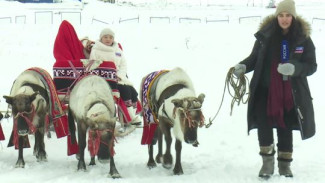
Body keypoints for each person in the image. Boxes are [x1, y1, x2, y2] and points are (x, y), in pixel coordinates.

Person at [232, 0, 317, 178]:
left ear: (293, 17)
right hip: (264, 90)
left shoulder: (303, 38)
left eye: (288, 16)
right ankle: (267, 164)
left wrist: (295, 68)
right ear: (276, 16)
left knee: (284, 127)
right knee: (264, 126)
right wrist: (243, 66)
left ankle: (285, 165)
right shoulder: (266, 36)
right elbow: (254, 58)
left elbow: (311, 65)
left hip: (290, 93)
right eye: (281, 15)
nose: (284, 19)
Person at [89, 27, 141, 126]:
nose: (108, 39)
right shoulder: (96, 49)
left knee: (132, 91)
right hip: (104, 80)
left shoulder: (117, 50)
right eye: (105, 37)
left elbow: (123, 65)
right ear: (101, 38)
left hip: (118, 78)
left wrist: (120, 75)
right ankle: (130, 117)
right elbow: (93, 65)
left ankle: (131, 114)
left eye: (110, 37)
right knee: (125, 90)